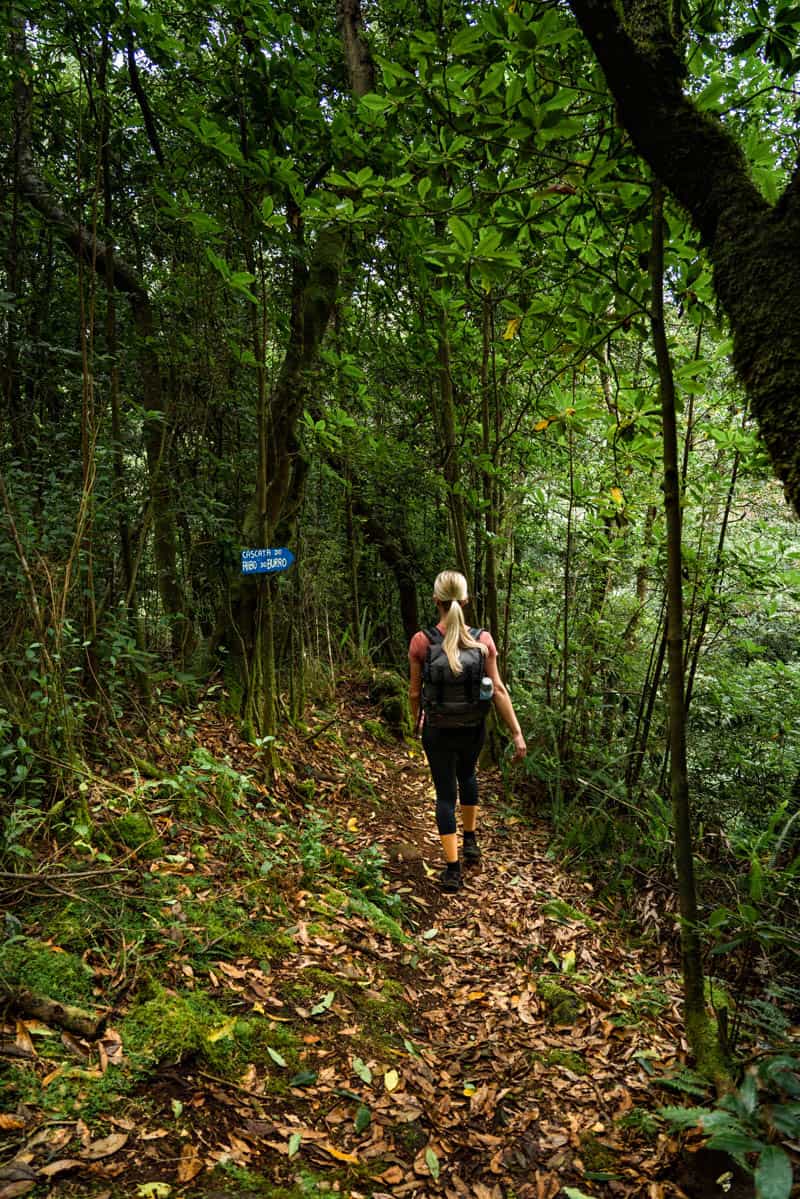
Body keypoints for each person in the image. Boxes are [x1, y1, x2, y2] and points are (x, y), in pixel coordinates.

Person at [408, 570, 527, 893]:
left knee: (445, 795)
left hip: (437, 729)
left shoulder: (421, 641)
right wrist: (516, 733)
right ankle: (471, 840)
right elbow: (498, 689)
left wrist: (416, 722)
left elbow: (415, 693)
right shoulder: (482, 640)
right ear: (465, 601)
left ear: (436, 600)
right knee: (468, 775)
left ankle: (452, 870)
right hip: (473, 727)